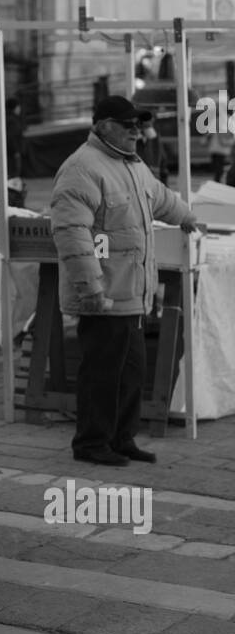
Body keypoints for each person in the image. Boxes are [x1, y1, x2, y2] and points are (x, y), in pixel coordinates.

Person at [50, 95, 200, 468]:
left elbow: (161, 198)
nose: (137, 131)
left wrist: (187, 217)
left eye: (138, 125)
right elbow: (72, 233)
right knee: (103, 373)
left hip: (132, 292)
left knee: (131, 372)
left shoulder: (132, 166)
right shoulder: (82, 168)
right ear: (103, 126)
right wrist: (92, 289)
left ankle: (122, 438)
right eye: (127, 125)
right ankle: (91, 442)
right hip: (105, 294)